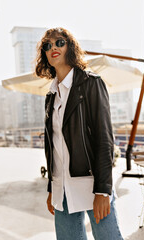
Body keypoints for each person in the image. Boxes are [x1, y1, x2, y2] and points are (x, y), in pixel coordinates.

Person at [35, 27, 123, 240]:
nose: (53, 48)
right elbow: (53, 145)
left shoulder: (91, 83)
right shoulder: (51, 95)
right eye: (48, 45)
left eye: (59, 42)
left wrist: (103, 190)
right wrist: (51, 187)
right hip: (61, 188)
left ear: (70, 47)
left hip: (91, 184)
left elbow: (104, 139)